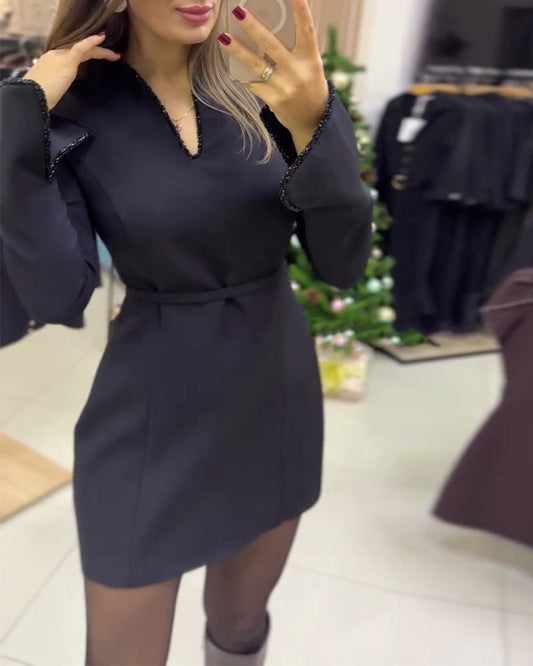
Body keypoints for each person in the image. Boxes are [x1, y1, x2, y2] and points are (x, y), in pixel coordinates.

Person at [0, 0, 372, 663]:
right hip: (150, 410)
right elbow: (58, 295)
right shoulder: (71, 107)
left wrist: (318, 121)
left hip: (272, 394)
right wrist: (17, 125)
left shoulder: (266, 89)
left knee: (239, 627)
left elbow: (342, 265)